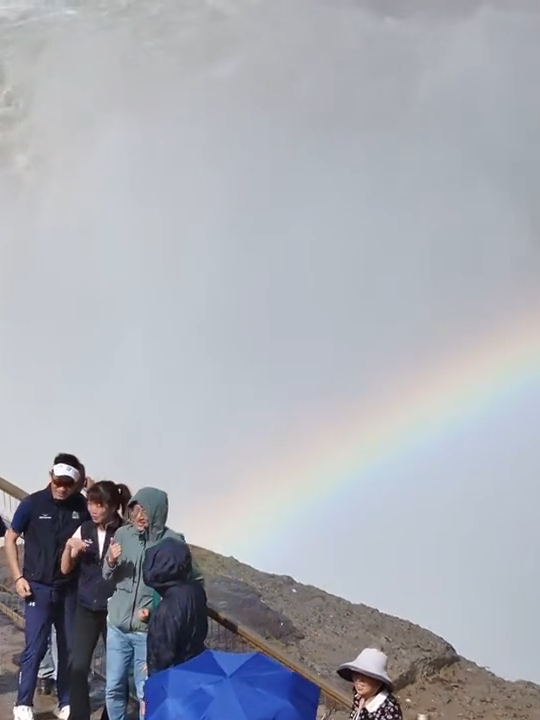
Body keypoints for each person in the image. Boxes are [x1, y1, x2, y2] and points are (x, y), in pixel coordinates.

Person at [103, 487, 204, 720]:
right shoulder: (122, 535)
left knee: (146, 691)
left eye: (145, 511)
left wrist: (159, 610)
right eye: (135, 509)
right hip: (117, 625)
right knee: (113, 686)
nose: (139, 516)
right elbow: (106, 575)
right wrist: (110, 561)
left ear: (158, 513)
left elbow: (193, 581)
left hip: (147, 632)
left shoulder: (173, 542)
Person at [5, 453, 90, 720]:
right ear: (50, 476)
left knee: (67, 647)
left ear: (76, 483)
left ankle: (65, 701)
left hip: (68, 589)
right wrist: (18, 577)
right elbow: (11, 538)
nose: (62, 487)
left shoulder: (82, 505)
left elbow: (108, 522)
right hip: (37, 588)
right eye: (58, 481)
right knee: (35, 647)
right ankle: (23, 703)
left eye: (68, 483)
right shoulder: (32, 504)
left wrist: (92, 489)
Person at [60, 480, 132, 720]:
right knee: (78, 666)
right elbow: (65, 569)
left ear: (112, 506)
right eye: (91, 502)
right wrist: (71, 551)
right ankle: (78, 716)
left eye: (99, 504)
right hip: (86, 607)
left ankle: (110, 717)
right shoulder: (84, 529)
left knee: (117, 671)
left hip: (115, 611)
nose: (93, 508)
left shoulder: (125, 533)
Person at [143, 537, 208, 676]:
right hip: (194, 666)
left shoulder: (167, 608)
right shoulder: (195, 590)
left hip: (174, 676)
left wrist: (152, 672)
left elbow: (161, 655)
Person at [336, 648, 403, 720]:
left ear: (378, 681)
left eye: (366, 676)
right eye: (357, 674)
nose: (359, 680)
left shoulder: (389, 712)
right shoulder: (359, 697)